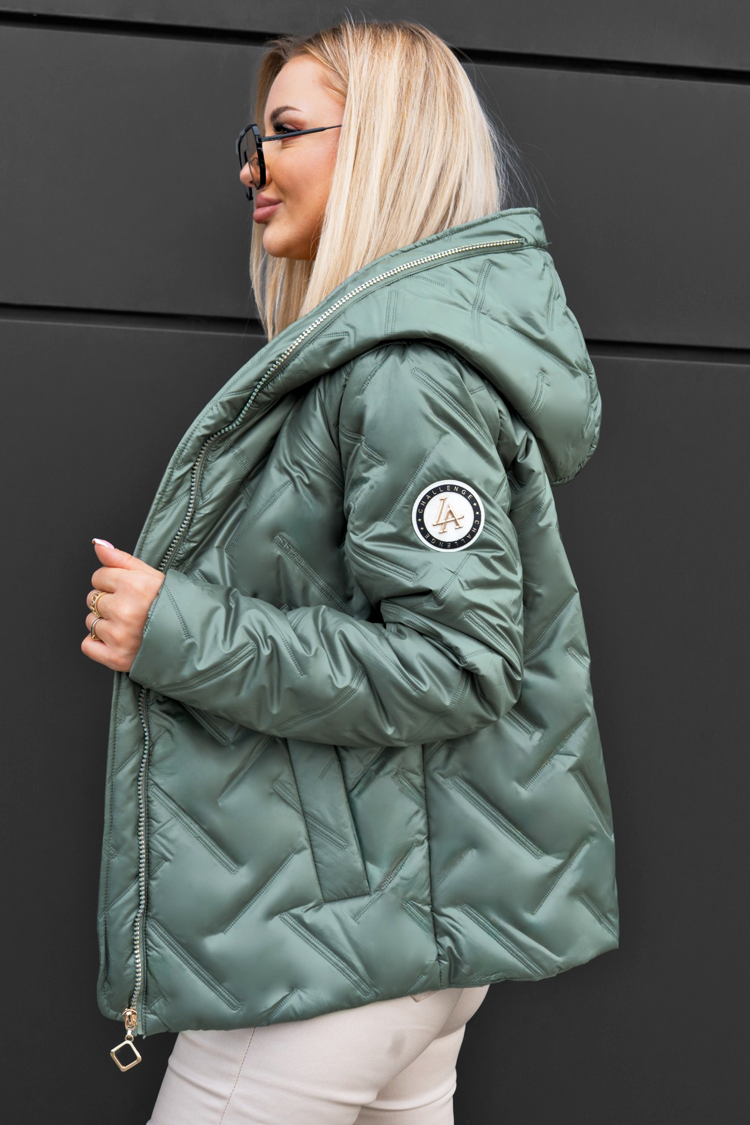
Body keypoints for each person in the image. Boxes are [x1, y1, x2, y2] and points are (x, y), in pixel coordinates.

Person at [82, 16, 619, 1124]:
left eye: (285, 132)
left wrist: (176, 628)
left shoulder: (406, 377)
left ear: (382, 146)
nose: (251, 167)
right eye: (255, 137)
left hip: (332, 954)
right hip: (382, 932)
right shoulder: (377, 365)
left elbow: (458, 664)